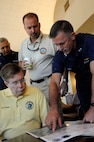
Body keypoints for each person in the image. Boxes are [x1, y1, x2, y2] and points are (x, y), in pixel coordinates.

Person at [45, 20, 94, 131]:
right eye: (56, 44)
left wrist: (93, 107)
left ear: (72, 36)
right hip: (83, 84)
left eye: (62, 43)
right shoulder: (60, 54)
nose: (60, 48)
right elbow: (54, 82)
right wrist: (53, 108)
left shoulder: (89, 42)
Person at [0, 63, 49, 140]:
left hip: (34, 139)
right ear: (6, 84)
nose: (20, 85)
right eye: (15, 82)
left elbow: (47, 123)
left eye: (22, 80)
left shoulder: (36, 93)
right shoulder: (1, 98)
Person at [19, 12, 57, 102]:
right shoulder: (23, 44)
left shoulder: (50, 40)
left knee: (54, 112)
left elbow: (62, 60)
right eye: (29, 28)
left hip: (49, 84)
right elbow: (21, 65)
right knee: (39, 113)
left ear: (39, 25)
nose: (33, 30)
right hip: (33, 86)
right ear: (25, 28)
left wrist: (63, 81)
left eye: (35, 26)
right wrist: (21, 66)